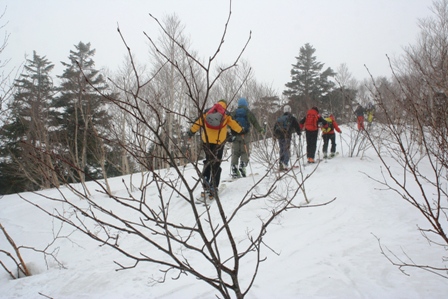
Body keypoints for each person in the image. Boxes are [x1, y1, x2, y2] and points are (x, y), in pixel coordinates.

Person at [188, 99, 243, 199]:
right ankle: (213, 186)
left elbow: (197, 123)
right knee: (216, 163)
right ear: (225, 106)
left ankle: (205, 180)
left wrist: (191, 132)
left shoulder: (207, 111)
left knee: (208, 161)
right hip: (219, 142)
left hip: (207, 141)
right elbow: (235, 125)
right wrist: (241, 130)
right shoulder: (226, 114)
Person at [230, 97, 264, 178]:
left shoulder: (234, 112)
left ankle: (234, 167)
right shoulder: (248, 112)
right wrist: (260, 130)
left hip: (235, 134)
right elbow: (254, 122)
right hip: (245, 134)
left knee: (235, 152)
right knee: (244, 151)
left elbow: (228, 123)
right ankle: (243, 164)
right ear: (246, 104)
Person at [273, 105, 301, 170]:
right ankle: (285, 163)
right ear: (290, 110)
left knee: (282, 149)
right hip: (287, 136)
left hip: (280, 136)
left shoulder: (280, 118)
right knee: (286, 149)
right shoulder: (291, 118)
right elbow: (297, 126)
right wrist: (298, 132)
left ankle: (281, 163)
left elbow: (275, 127)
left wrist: (274, 136)